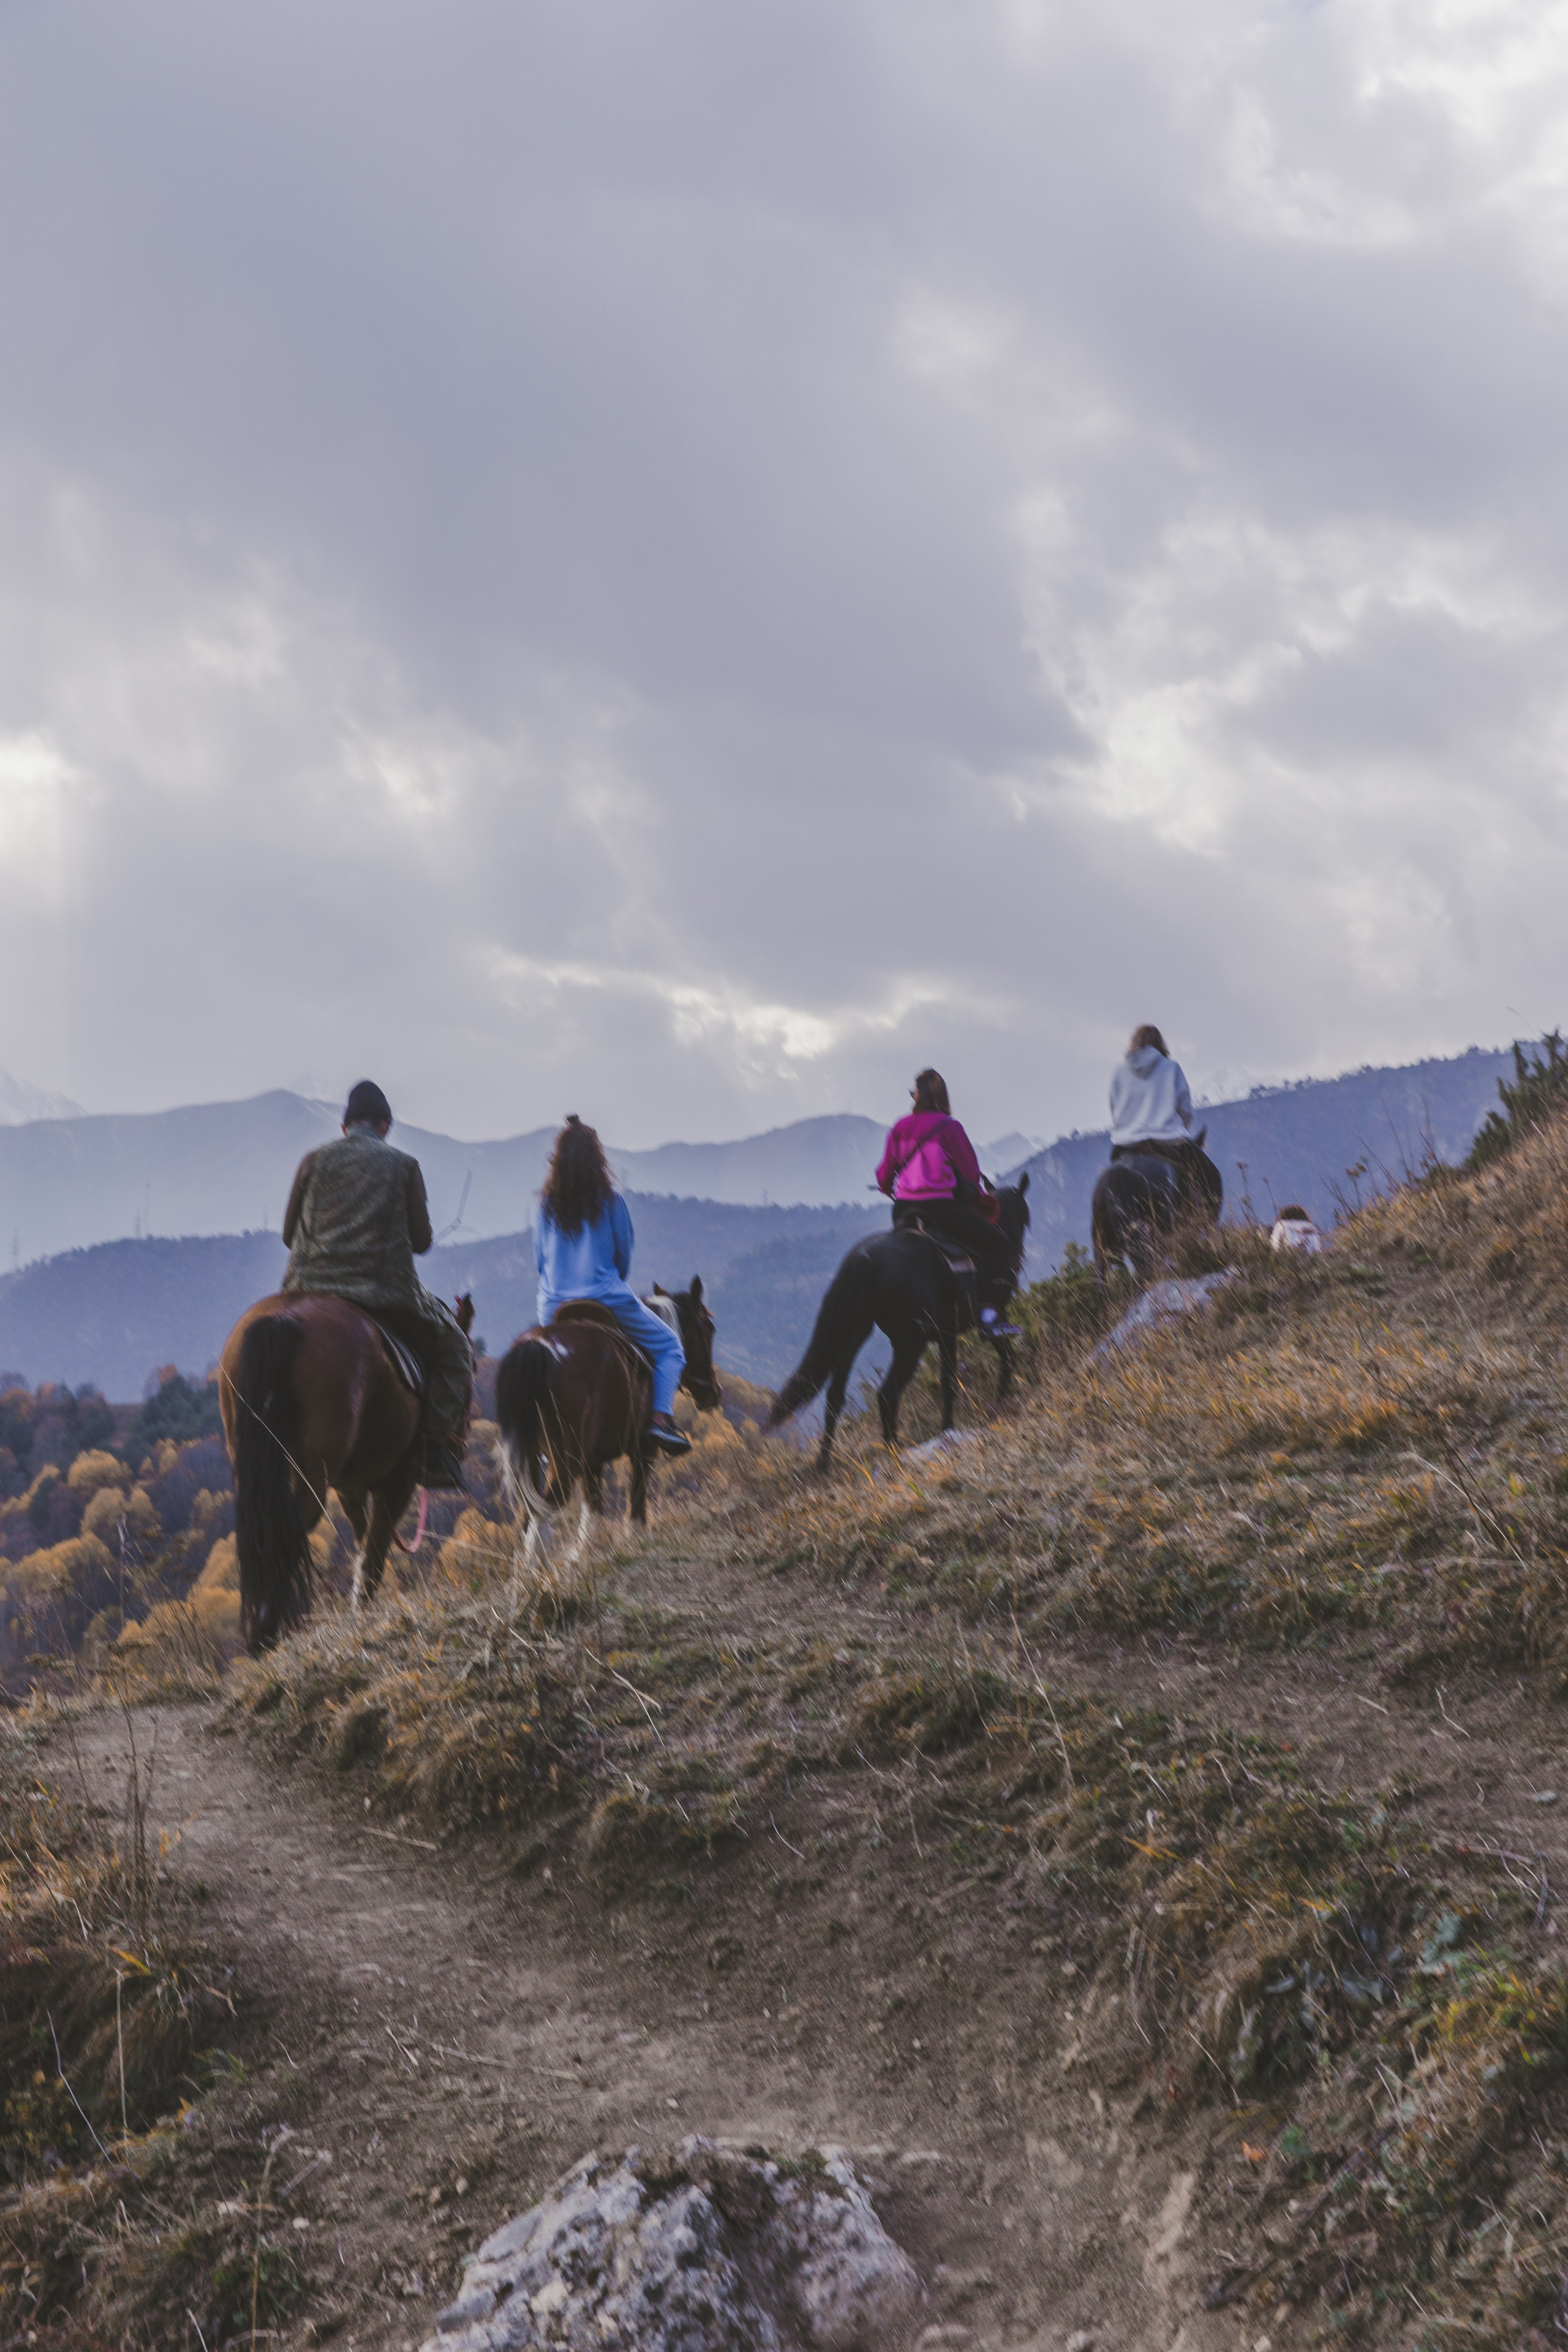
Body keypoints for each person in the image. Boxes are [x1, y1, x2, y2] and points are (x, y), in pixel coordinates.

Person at [281, 1079, 473, 1489]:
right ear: (385, 1126)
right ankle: (433, 1451)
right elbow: (421, 1243)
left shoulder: (312, 1161)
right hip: (383, 1294)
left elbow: (287, 1236)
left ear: (344, 1126)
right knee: (456, 1349)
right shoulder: (404, 1166)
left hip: (305, 1288)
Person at [534, 1117, 692, 1456]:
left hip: (552, 1306)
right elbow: (623, 1256)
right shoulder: (612, 1202)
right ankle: (659, 1421)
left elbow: (540, 1262)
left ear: (557, 1160)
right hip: (604, 1298)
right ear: (598, 1159)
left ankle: (543, 1437)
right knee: (670, 1348)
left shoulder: (545, 1206)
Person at [875, 1069, 1022, 1339]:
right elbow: (970, 1173)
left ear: (917, 1097)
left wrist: (889, 1188)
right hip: (941, 1208)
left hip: (904, 1210)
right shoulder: (950, 1128)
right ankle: (990, 1319)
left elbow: (884, 1176)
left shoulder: (900, 1127)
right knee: (999, 1245)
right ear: (942, 1097)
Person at [1109, 1026, 1196, 1166]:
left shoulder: (1119, 1071)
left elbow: (1114, 1109)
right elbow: (1185, 1109)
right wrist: (1179, 1128)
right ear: (1160, 1044)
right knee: (1212, 1175)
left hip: (1127, 1143)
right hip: (1168, 1140)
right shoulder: (1172, 1068)